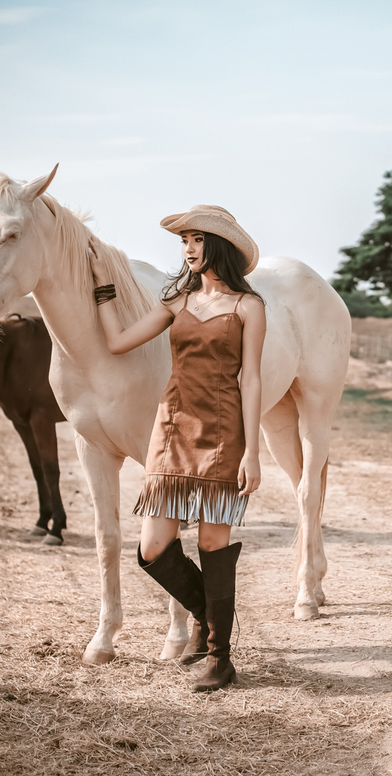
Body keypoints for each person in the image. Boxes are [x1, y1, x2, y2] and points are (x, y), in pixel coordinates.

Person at [88, 205, 265, 692]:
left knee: (212, 546)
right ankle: (207, 618)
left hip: (223, 435)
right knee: (152, 549)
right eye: (184, 240)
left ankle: (220, 659)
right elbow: (118, 341)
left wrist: (252, 452)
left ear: (219, 246)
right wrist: (103, 287)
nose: (188, 248)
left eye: (197, 239)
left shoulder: (248, 307)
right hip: (170, 432)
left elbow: (251, 380)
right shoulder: (176, 301)